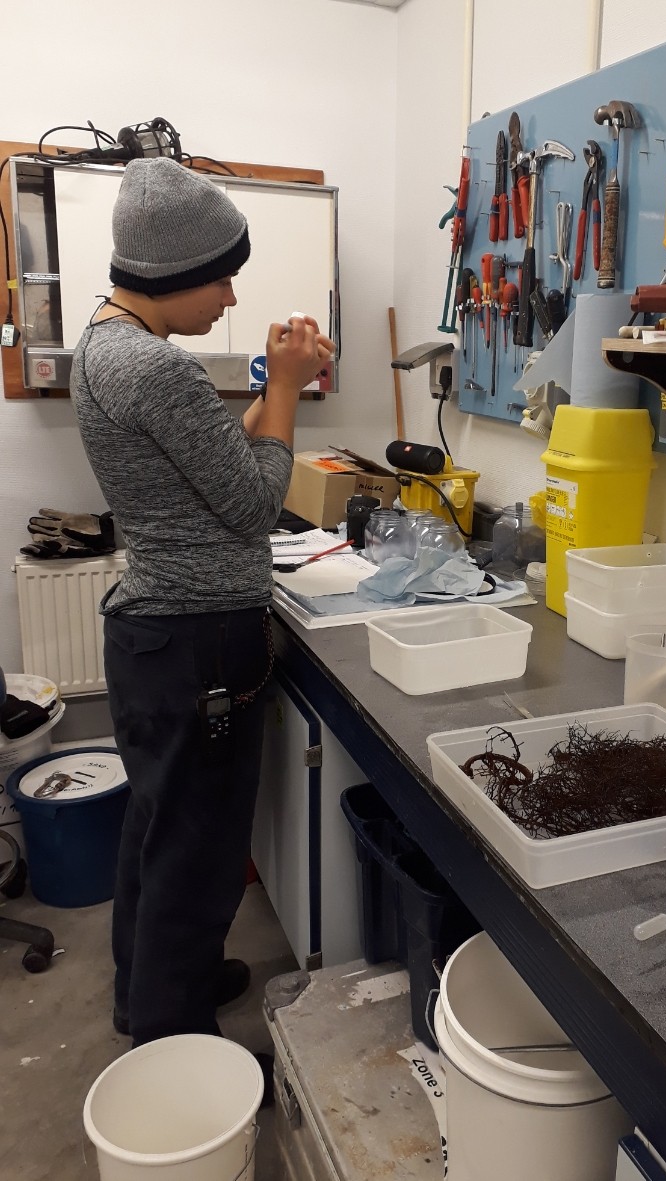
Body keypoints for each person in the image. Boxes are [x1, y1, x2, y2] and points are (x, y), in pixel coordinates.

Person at [70, 157, 334, 1050]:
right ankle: (170, 1038)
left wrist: (269, 394)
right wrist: (291, 390)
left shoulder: (105, 345)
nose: (228, 297)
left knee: (157, 826)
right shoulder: (157, 372)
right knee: (198, 852)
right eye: (220, 277)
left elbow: (216, 461)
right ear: (173, 274)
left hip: (155, 637)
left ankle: (146, 987)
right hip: (197, 644)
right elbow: (256, 503)